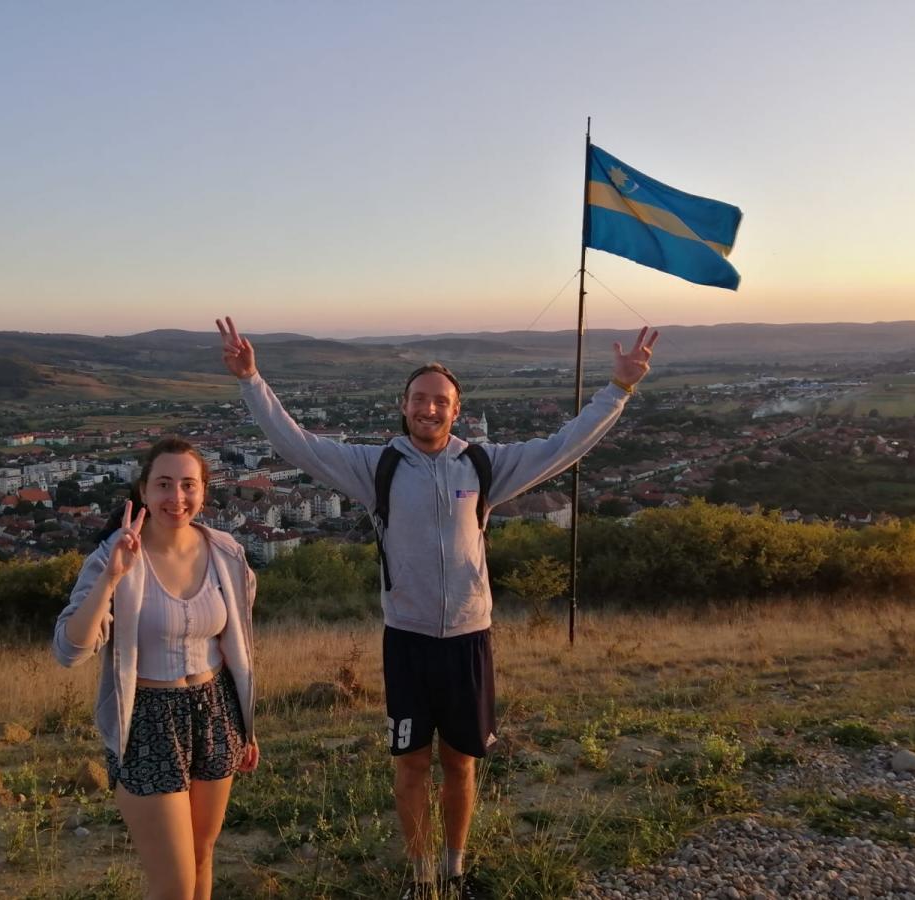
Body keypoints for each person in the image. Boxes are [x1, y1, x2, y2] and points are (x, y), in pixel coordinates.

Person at [216, 315, 657, 899]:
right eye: (419, 399)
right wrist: (251, 379)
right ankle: (421, 878)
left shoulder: (483, 464)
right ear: (404, 406)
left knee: (461, 763)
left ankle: (454, 868)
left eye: (440, 401)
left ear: (457, 409)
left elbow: (562, 447)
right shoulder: (376, 467)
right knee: (411, 765)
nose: (429, 409)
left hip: (471, 640)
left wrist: (618, 390)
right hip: (408, 640)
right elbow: (295, 442)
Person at [53, 437, 260, 900]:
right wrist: (112, 578)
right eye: (164, 484)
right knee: (173, 887)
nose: (177, 497)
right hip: (147, 720)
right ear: (143, 491)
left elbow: (237, 646)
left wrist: (246, 724)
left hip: (216, 711)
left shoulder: (227, 553)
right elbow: (69, 651)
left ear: (205, 491)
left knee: (203, 858)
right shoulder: (114, 556)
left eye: (188, 485)